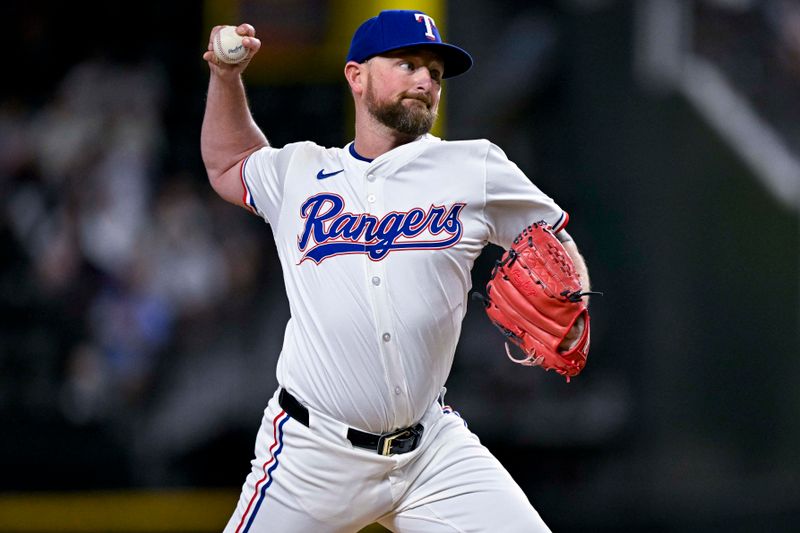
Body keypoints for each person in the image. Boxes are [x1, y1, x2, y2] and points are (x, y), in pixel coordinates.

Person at [201, 9, 591, 533]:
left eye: (434, 70)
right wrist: (226, 78)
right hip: (313, 455)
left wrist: (575, 301)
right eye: (407, 64)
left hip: (430, 451)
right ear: (356, 76)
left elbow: (552, 235)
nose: (426, 79)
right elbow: (228, 162)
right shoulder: (299, 171)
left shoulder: (472, 166)